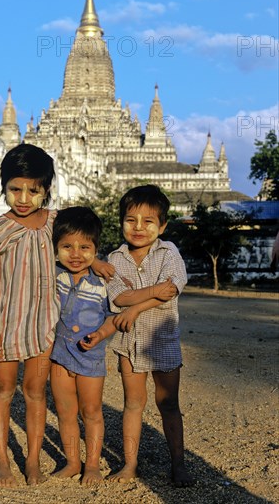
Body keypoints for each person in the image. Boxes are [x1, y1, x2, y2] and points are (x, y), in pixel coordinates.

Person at [0, 144, 114, 487]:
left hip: (44, 324)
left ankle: (33, 460)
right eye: (15, 189)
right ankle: (1, 461)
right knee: (3, 389)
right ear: (4, 187)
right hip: (8, 322)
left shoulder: (55, 223)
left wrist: (96, 261)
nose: (23, 197)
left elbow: (77, 244)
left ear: (47, 190)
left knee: (36, 391)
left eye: (33, 190)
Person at [106, 184, 194, 487]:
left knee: (168, 403)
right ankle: (130, 463)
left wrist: (135, 308)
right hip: (128, 344)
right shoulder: (114, 259)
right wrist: (151, 293)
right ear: (121, 222)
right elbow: (119, 299)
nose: (138, 228)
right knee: (133, 403)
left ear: (163, 225)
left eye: (148, 221)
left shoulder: (169, 252)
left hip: (163, 340)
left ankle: (178, 464)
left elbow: (172, 290)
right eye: (131, 220)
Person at [50, 206, 117, 486]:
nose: (75, 254)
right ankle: (72, 461)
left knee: (91, 412)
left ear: (96, 248)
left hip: (91, 359)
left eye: (85, 247)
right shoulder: (54, 274)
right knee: (65, 413)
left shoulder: (103, 282)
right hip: (59, 356)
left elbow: (115, 316)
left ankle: (91, 465)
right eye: (67, 246)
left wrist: (100, 335)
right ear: (55, 247)